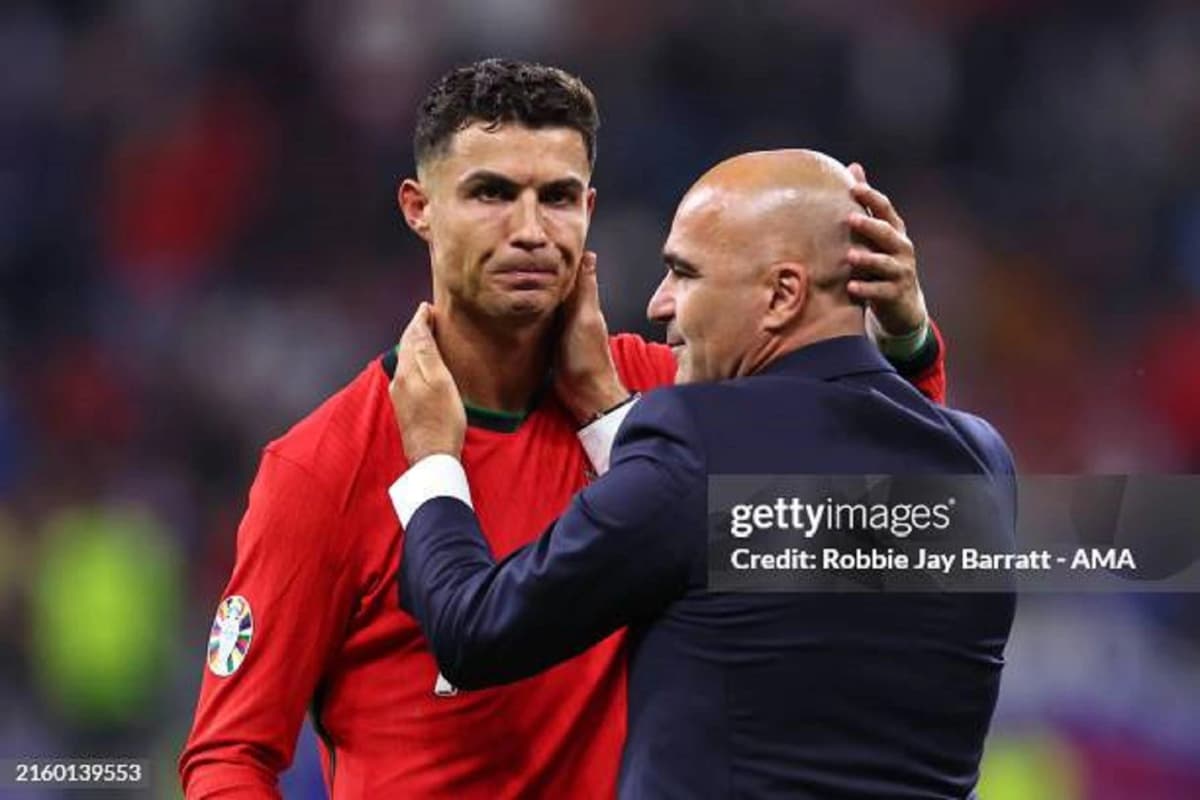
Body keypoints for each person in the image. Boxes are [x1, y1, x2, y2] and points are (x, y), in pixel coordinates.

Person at [180, 60, 946, 798]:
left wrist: (906, 335)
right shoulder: (326, 466)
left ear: (590, 208)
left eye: (557, 196)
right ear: (419, 208)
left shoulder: (662, 394)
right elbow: (228, 756)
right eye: (490, 193)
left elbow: (886, 507)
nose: (530, 230)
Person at [390, 150, 1016, 798]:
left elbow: (475, 632)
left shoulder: (694, 439)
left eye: (684, 275)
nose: (660, 304)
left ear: (781, 296)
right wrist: (906, 336)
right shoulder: (983, 464)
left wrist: (434, 459)